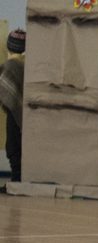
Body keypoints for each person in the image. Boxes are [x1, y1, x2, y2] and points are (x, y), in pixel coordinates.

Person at [0, 29, 26, 185]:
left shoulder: (9, 66)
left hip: (13, 111)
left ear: (9, 46)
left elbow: (4, 90)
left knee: (13, 147)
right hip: (26, 112)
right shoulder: (28, 65)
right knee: (20, 146)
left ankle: (16, 181)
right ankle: (19, 180)